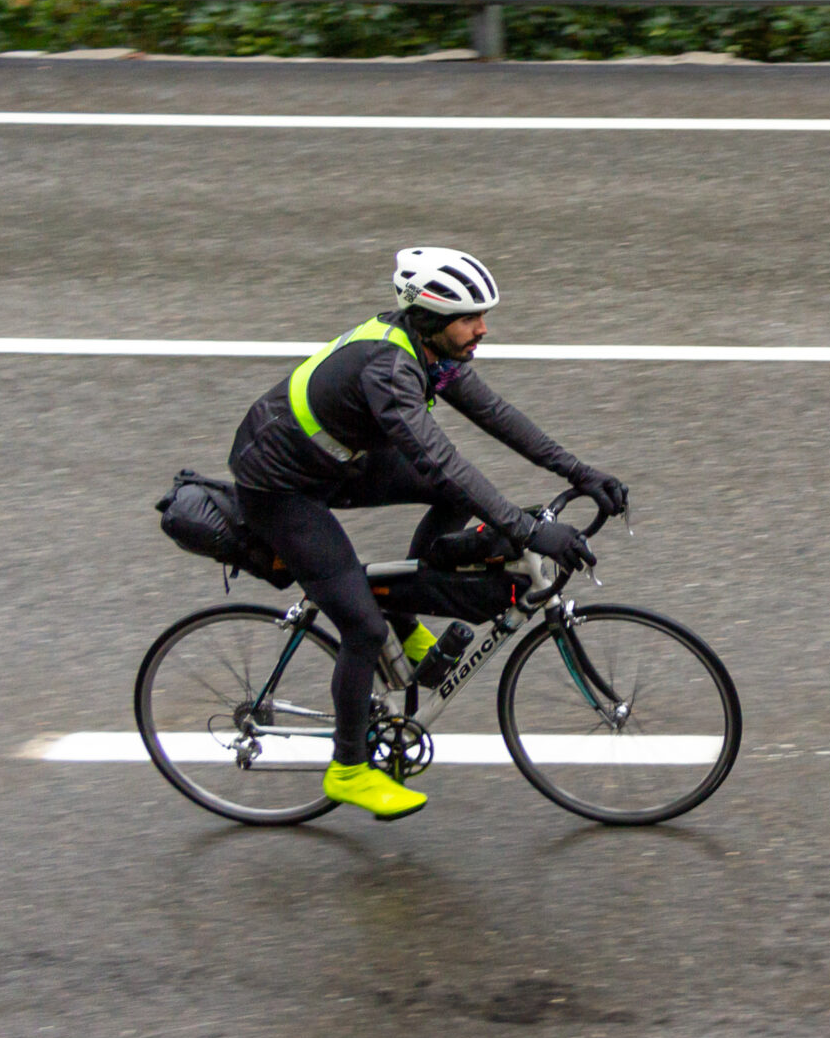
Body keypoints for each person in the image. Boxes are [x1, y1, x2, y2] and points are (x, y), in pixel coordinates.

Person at [229, 248, 627, 820]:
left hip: (335, 458)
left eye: (483, 316)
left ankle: (406, 604)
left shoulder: (429, 350)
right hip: (281, 486)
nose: (483, 329)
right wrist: (527, 531)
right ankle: (348, 770)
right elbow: (446, 464)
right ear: (434, 319)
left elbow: (499, 416)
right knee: (361, 627)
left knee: (440, 507)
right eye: (471, 319)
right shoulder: (390, 372)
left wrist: (581, 471)